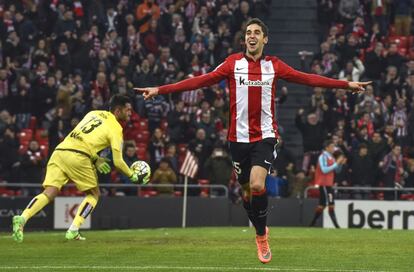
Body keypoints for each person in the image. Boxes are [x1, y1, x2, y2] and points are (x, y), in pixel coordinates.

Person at [135, 18, 370, 264]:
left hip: (265, 137)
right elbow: (200, 80)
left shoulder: (275, 66)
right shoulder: (231, 64)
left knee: (258, 185)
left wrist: (346, 85)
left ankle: (260, 236)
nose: (252, 36)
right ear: (244, 38)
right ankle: (260, 226)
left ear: (265, 39)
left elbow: (308, 78)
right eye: (248, 32)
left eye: (257, 32)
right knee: (247, 193)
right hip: (237, 139)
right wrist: (161, 89)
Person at [12, 95, 144, 243]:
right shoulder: (116, 129)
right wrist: (133, 176)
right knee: (93, 194)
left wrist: (95, 158)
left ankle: (23, 218)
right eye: (127, 110)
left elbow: (82, 137)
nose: (130, 114)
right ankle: (73, 230)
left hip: (60, 151)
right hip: (79, 156)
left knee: (50, 191)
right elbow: (118, 162)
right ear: (118, 111)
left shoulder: (92, 113)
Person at [310, 140, 347, 228]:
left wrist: (340, 164)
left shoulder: (331, 157)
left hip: (329, 184)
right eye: (332, 147)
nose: (333, 148)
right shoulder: (322, 157)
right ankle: (337, 226)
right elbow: (324, 170)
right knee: (330, 203)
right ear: (327, 148)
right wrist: (336, 163)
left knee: (322, 205)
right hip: (323, 184)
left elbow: (337, 171)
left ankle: (312, 224)